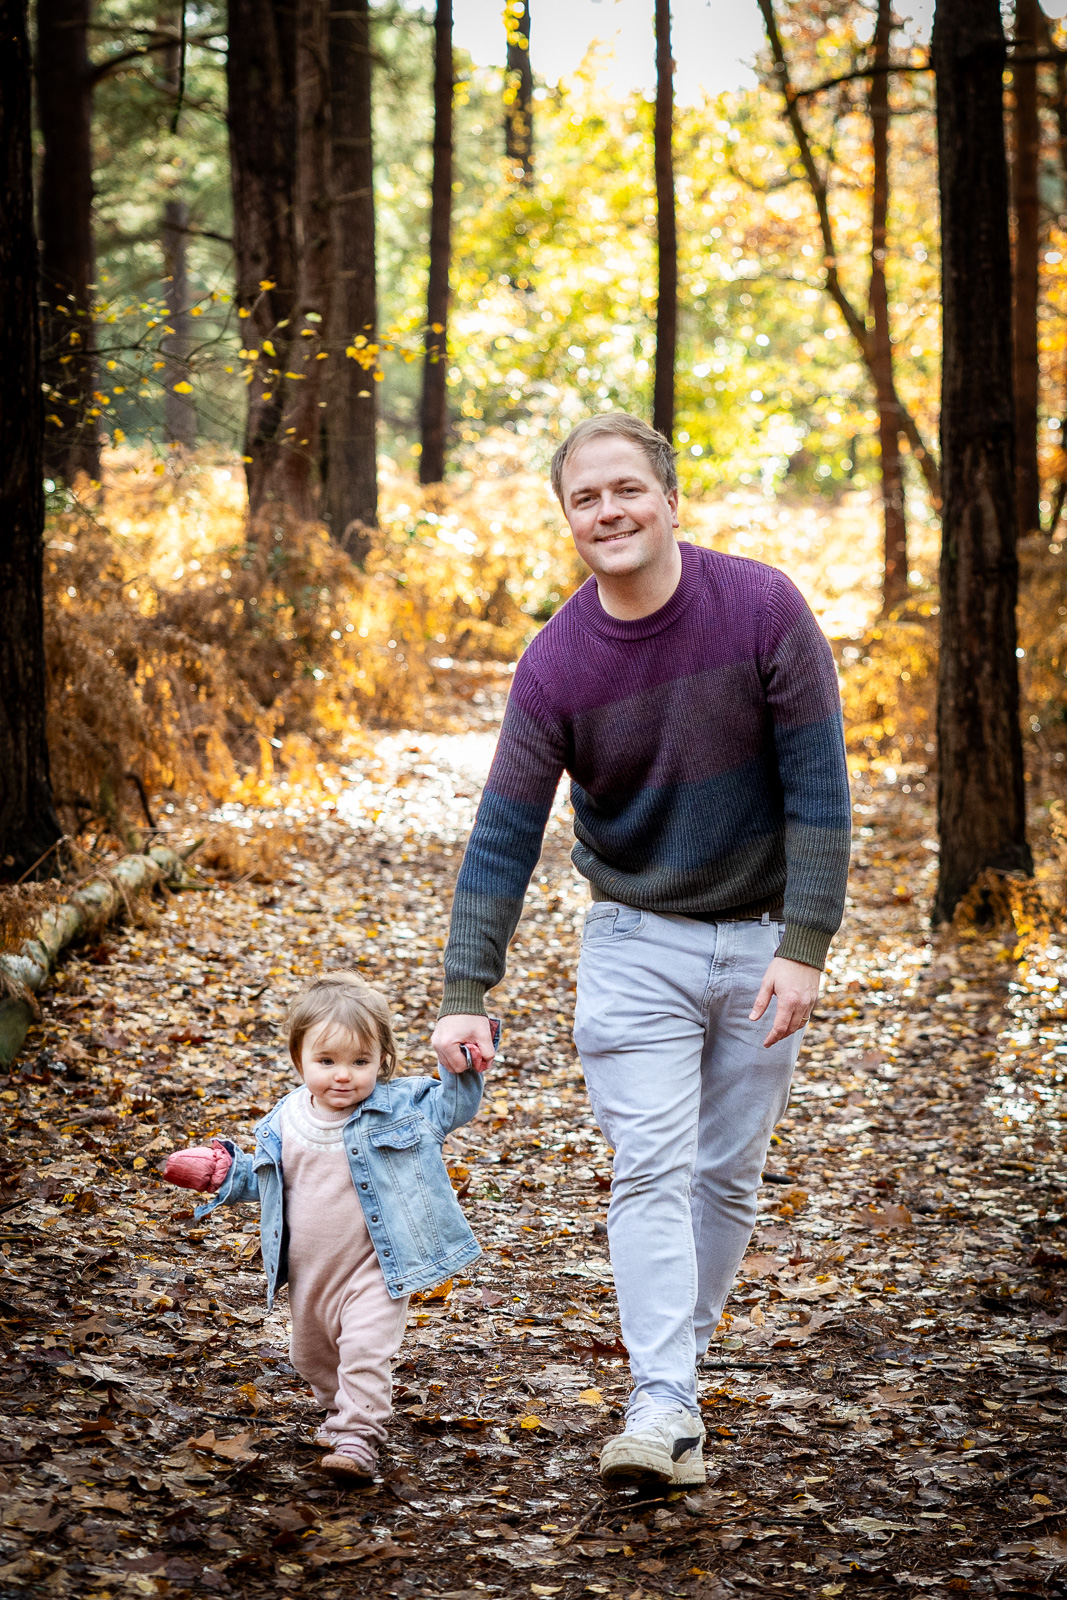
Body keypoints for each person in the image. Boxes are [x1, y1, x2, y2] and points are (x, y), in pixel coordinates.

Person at [431, 413, 851, 1488]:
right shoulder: (557, 661)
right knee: (651, 1167)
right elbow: (503, 833)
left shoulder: (761, 607)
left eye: (626, 490)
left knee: (727, 1177)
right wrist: (466, 986)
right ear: (566, 518)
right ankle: (660, 1400)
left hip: (761, 943)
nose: (607, 512)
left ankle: (677, 1365)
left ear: (669, 498)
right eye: (585, 498)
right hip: (634, 947)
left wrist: (804, 944)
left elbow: (817, 788)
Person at [162, 970, 484, 1482]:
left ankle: (360, 1436)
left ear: (383, 1060)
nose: (344, 1075)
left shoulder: (401, 1109)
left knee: (363, 1347)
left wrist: (464, 1063)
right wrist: (222, 1172)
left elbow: (454, 1105)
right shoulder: (285, 1119)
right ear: (299, 1060)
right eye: (327, 1061)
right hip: (310, 1271)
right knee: (311, 1357)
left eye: (360, 1062)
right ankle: (341, 1413)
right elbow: (266, 1178)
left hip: (377, 1264)